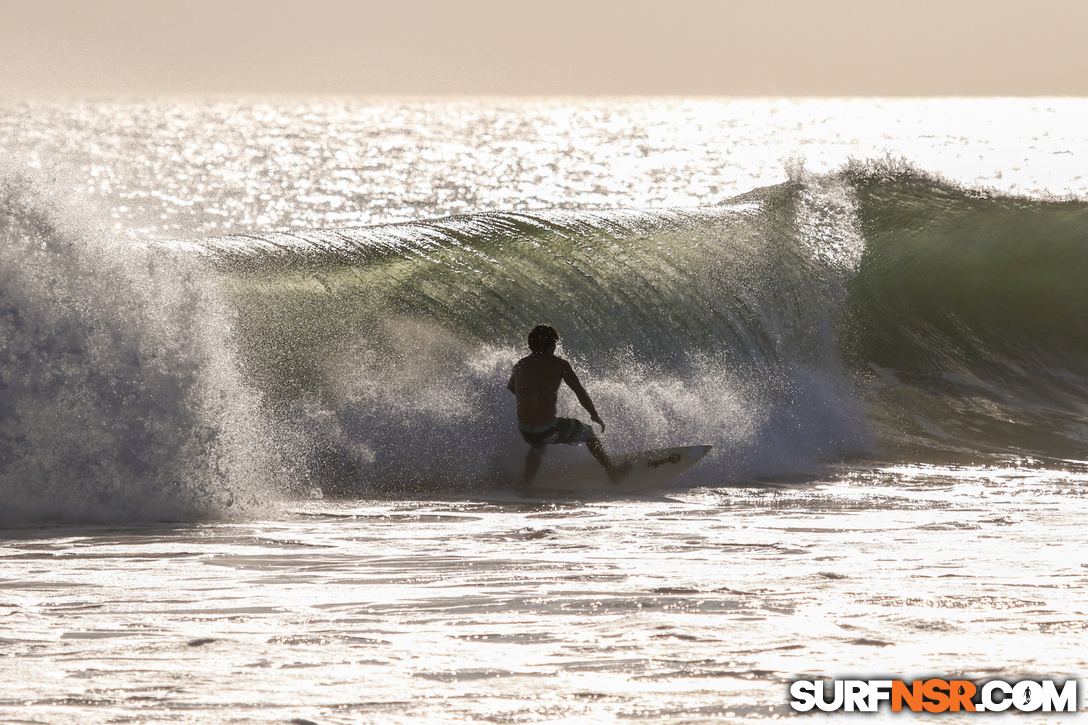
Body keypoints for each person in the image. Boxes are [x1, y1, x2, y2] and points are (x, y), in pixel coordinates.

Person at [507, 325, 629, 485]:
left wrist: (530, 399)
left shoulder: (520, 365)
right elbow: (579, 391)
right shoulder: (559, 364)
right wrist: (594, 415)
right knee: (589, 433)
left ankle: (526, 482)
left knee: (537, 444)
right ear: (551, 345)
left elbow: (511, 386)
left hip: (525, 429)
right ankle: (612, 471)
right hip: (548, 428)